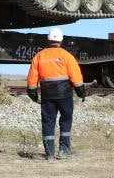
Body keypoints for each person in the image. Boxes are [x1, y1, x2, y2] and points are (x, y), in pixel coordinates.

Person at [26, 27, 86, 159]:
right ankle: (64, 150)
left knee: (48, 122)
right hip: (65, 95)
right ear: (61, 40)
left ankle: (50, 154)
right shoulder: (66, 56)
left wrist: (32, 93)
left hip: (47, 96)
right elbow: (75, 76)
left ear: (48, 40)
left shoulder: (39, 56)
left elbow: (32, 78)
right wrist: (81, 92)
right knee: (66, 120)